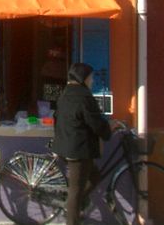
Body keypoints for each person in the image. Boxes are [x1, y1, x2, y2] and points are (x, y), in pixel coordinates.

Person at [52, 62, 112, 225]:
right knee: (76, 192)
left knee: (94, 176)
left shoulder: (65, 93)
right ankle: (72, 216)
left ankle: (73, 205)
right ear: (83, 78)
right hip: (78, 150)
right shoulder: (84, 96)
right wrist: (108, 131)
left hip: (65, 145)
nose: (92, 81)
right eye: (90, 78)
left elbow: (57, 117)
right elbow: (95, 122)